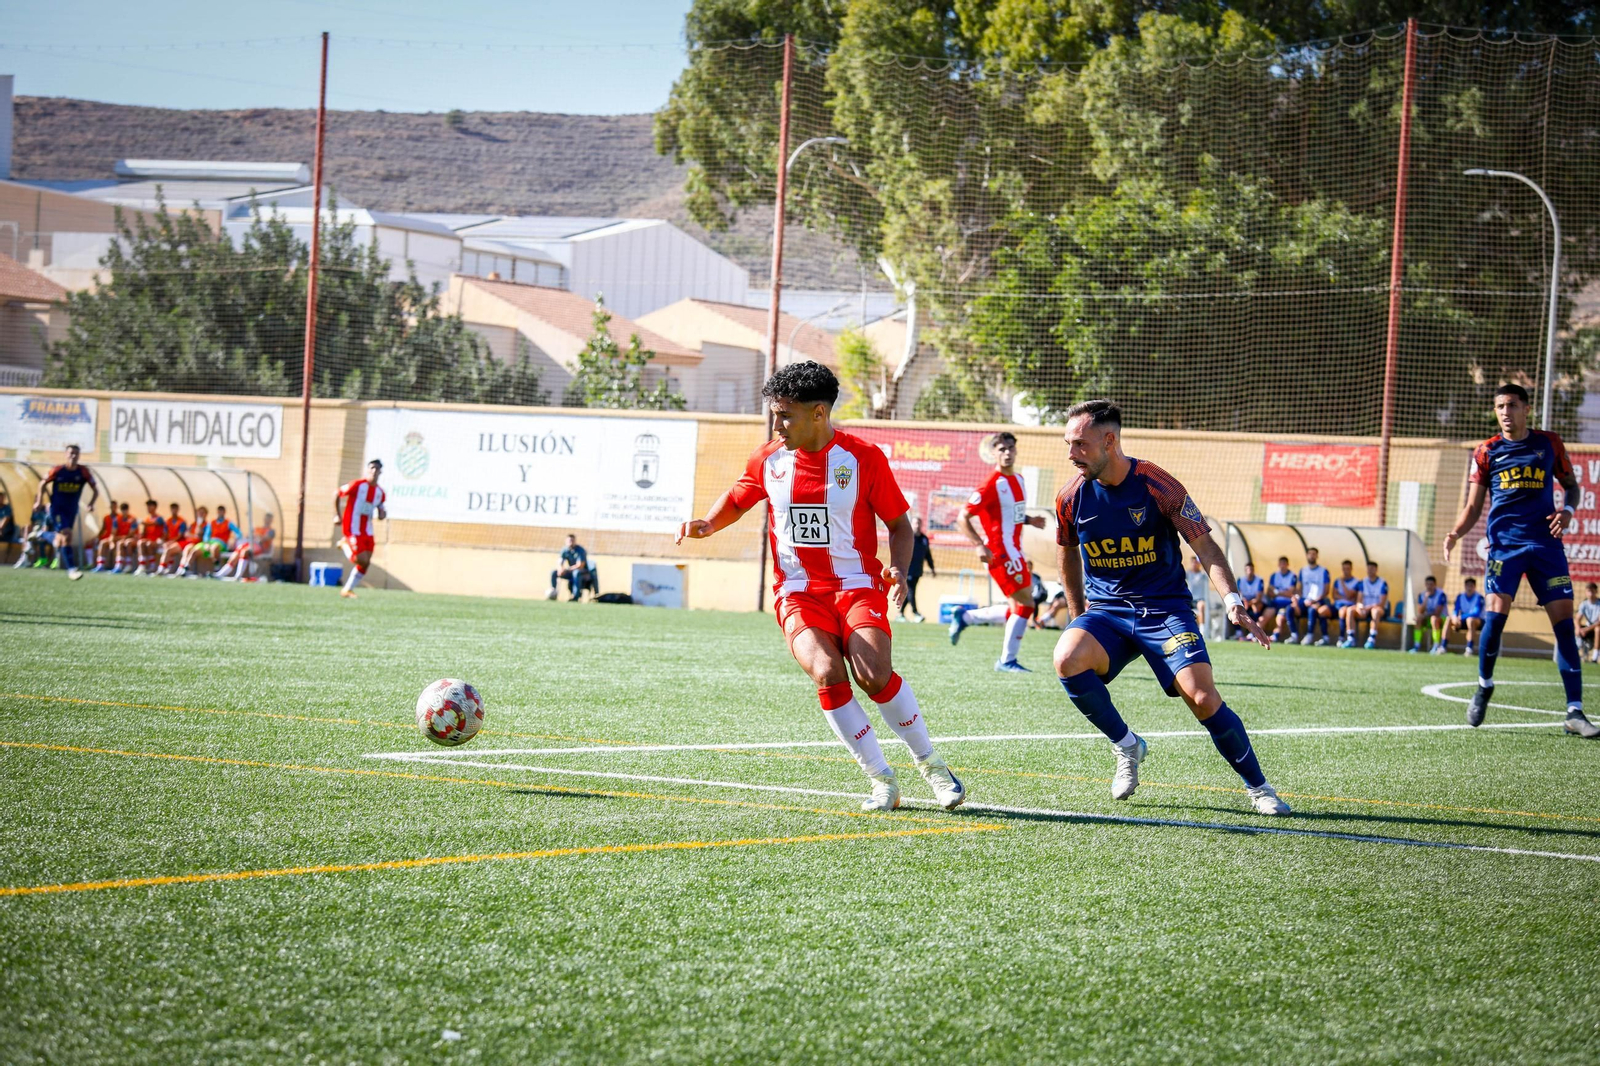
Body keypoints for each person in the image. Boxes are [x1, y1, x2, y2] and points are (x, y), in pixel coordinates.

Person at [675, 360, 965, 812]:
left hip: (856, 587)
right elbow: (738, 496)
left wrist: (900, 572)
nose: (777, 424)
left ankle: (933, 766)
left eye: (785, 415)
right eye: (774, 414)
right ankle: (881, 780)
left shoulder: (863, 459)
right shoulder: (768, 458)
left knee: (874, 675)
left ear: (818, 414)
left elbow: (899, 526)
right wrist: (708, 524)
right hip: (796, 591)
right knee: (827, 672)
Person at [1052, 398, 1289, 815]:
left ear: (1110, 441)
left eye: (1080, 445)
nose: (1071, 455)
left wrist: (1233, 602)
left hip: (1165, 611)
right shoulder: (1071, 498)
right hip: (1107, 612)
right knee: (1066, 657)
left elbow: (1206, 546)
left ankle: (1260, 788)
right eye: (1068, 444)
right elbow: (1066, 553)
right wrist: (1078, 617)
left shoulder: (1159, 485)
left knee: (1201, 697)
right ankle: (1127, 745)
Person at [1444, 382, 1599, 738]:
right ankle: (1484, 685)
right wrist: (1455, 533)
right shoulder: (1486, 451)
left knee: (1563, 627)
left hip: (1546, 546)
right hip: (1504, 548)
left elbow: (1571, 485)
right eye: (1499, 406)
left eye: (1511, 405)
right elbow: (1472, 507)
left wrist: (1570, 511)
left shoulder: (1549, 443)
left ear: (1526, 409)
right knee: (1494, 620)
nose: (1505, 412)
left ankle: (1575, 711)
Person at [949, 431, 1049, 672]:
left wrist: (1028, 520)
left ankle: (966, 618)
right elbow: (963, 518)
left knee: (1020, 606)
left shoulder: (1019, 480)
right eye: (1001, 449)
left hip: (1015, 549)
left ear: (1015, 450)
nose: (1006, 453)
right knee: (1026, 604)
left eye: (1010, 448)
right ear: (993, 453)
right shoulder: (989, 484)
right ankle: (1006, 661)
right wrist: (978, 545)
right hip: (999, 552)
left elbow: (1008, 515)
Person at [34, 444, 97, 578]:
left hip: (71, 510)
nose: (73, 456)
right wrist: (39, 501)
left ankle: (42, 534)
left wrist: (91, 504)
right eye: (71, 453)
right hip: (57, 509)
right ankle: (72, 569)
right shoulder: (57, 470)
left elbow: (96, 490)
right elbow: (42, 483)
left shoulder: (83, 472)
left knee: (59, 541)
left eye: (76, 453)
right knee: (67, 535)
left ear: (79, 456)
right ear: (66, 454)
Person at [335, 460, 387, 599]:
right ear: (367, 470)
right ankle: (345, 544)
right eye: (372, 468)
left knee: (366, 563)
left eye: (377, 469)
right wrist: (337, 515)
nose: (374, 471)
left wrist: (382, 514)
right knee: (360, 559)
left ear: (380, 472)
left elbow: (381, 510)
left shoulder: (380, 492)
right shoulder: (357, 485)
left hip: (368, 531)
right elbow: (337, 493)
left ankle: (347, 589)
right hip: (352, 529)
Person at [177, 505, 239, 578]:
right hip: (209, 542)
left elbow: (238, 533)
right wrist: (206, 543)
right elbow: (206, 535)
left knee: (214, 547)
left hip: (221, 543)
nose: (220, 513)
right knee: (195, 550)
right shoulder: (212, 522)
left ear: (224, 512)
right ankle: (186, 568)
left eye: (222, 511)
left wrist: (234, 540)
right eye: (219, 511)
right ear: (217, 512)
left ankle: (216, 569)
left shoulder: (228, 523)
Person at [1340, 561, 1389, 650]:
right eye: (1368, 569)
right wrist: (1360, 606)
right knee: (1350, 610)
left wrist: (1368, 607)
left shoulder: (1382, 583)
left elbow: (1382, 603)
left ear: (1376, 570)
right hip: (1365, 609)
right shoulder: (1363, 582)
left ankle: (1371, 639)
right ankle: (1350, 638)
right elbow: (1359, 599)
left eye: (1372, 569)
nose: (1370, 571)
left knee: (1376, 611)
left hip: (1377, 609)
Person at [1295, 547, 1334, 646]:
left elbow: (1326, 590)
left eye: (1314, 554)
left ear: (1317, 556)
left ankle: (1310, 635)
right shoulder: (1303, 570)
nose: (1312, 556)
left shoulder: (1323, 571)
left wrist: (1315, 600)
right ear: (1307, 555)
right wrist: (1301, 599)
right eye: (1310, 554)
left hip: (1318, 600)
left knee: (1313, 610)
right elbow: (1299, 588)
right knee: (1289, 609)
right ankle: (1294, 635)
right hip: (1304, 600)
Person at [902, 515, 935, 622]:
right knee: (911, 590)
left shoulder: (924, 539)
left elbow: (927, 555)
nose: (917, 525)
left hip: (917, 571)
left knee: (909, 592)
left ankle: (900, 613)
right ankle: (915, 613)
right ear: (911, 524)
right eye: (915, 523)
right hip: (908, 570)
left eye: (919, 523)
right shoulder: (907, 537)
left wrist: (932, 568)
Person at [1446, 576, 1485, 656]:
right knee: (1449, 619)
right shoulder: (1460, 596)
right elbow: (1456, 609)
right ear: (1465, 586)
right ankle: (1442, 646)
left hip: (1478, 621)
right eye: (1468, 586)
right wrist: (1455, 617)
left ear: (1475, 587)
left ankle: (1469, 648)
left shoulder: (1479, 598)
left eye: (1471, 586)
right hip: (1463, 621)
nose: (1469, 588)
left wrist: (1461, 617)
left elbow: (1476, 613)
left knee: (1470, 620)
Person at [164, 505, 206, 576]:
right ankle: (163, 568)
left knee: (187, 549)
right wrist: (193, 534)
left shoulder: (206, 525)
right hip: (186, 541)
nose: (200, 515)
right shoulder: (193, 524)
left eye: (202, 513)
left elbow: (199, 536)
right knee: (169, 548)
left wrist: (198, 528)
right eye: (199, 513)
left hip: (196, 544)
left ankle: (182, 569)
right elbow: (186, 534)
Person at [1264, 556, 1298, 643]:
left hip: (1286, 603)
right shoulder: (1274, 576)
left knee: (1280, 618)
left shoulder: (1292, 576)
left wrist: (1276, 592)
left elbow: (1290, 593)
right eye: (1281, 564)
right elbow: (1269, 592)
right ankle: (1253, 634)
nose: (1282, 566)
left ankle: (1275, 636)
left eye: (1284, 564)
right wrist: (1283, 592)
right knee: (1266, 615)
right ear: (1278, 565)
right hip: (1275, 602)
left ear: (1288, 565)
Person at [1412, 575, 1449, 655]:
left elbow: (1437, 613)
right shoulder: (1422, 595)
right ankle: (1417, 646)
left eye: (1431, 584)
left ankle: (1436, 645)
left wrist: (1424, 615)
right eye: (1427, 584)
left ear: (1435, 585)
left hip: (1441, 619)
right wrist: (1425, 600)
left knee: (1434, 619)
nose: (1429, 586)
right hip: (1428, 617)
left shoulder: (1441, 595)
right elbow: (1420, 611)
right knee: (1418, 619)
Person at [548, 534, 590, 601]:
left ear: (575, 541)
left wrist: (567, 569)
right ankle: (553, 593)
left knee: (576, 573)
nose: (570, 542)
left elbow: (580, 565)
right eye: (569, 540)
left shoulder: (580, 550)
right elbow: (560, 561)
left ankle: (575, 597)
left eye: (572, 540)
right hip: (570, 572)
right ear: (566, 541)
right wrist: (560, 569)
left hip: (582, 572)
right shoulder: (565, 550)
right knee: (554, 572)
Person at [13, 503, 52, 569]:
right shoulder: (33, 514)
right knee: (29, 537)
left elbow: (46, 529)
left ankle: (34, 558)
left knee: (39, 539)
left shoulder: (47, 514)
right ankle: (25, 558)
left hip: (47, 535)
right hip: (38, 534)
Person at [1331, 560, 1361, 644]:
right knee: (1322, 611)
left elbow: (1349, 595)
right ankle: (1324, 637)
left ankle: (1342, 637)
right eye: (1344, 569)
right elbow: (1334, 595)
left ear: (1351, 569)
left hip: (1349, 606)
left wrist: (1343, 583)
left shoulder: (1356, 582)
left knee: (1343, 611)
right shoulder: (1337, 581)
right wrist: (1343, 596)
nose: (1345, 571)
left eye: (1347, 568)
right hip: (1337, 604)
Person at [133, 499, 166, 575]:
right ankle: (142, 566)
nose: (148, 508)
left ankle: (152, 566)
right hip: (148, 540)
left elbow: (151, 524)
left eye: (150, 506)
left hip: (156, 541)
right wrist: (138, 536)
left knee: (148, 544)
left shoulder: (159, 518)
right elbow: (144, 533)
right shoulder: (146, 518)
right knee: (141, 543)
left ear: (155, 507)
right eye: (147, 506)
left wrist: (141, 522)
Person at [1234, 562, 1265, 641]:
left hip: (1254, 602)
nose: (1249, 571)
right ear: (1245, 570)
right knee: (1234, 609)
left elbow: (1258, 597)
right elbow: (1238, 594)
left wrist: (1250, 603)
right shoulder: (1240, 580)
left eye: (1251, 569)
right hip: (1244, 602)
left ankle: (1253, 633)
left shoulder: (1259, 580)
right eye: (1248, 569)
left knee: (1256, 608)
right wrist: (1244, 602)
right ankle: (1238, 632)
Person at [156, 503, 188, 575]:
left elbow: (180, 535)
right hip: (171, 541)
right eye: (172, 509)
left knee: (169, 549)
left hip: (179, 542)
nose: (174, 510)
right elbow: (165, 533)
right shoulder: (168, 521)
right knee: (165, 546)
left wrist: (172, 541)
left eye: (175, 509)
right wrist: (162, 540)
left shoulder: (182, 521)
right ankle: (167, 567)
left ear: (178, 510)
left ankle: (162, 568)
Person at [109, 502, 137, 573]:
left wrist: (123, 538)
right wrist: (112, 542)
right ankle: (118, 566)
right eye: (122, 509)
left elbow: (131, 533)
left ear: (128, 510)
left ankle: (129, 565)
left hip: (131, 539)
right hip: (121, 538)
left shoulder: (132, 519)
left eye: (125, 509)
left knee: (127, 542)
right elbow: (113, 533)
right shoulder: (117, 519)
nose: (124, 511)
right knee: (119, 543)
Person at [1185, 554, 1209, 630]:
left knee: (1201, 606)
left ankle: (1202, 630)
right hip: (1189, 599)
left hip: (1199, 599)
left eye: (1196, 562)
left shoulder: (1203, 575)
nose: (1194, 564)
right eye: (1193, 562)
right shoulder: (1187, 574)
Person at [1578, 584, 1600, 665]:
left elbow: (1599, 622)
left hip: (1595, 628)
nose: (1590, 593)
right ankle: (1578, 651)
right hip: (1587, 628)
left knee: (1598, 629)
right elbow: (1577, 619)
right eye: (1588, 591)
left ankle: (1594, 657)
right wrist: (1578, 629)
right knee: (1574, 627)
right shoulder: (1584, 604)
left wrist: (1586, 629)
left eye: (1592, 591)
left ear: (1596, 591)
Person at [0, 491, 17, 565]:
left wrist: (0, 529)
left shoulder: (7, 508)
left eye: (2, 498)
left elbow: (6, 519)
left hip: (6, 533)